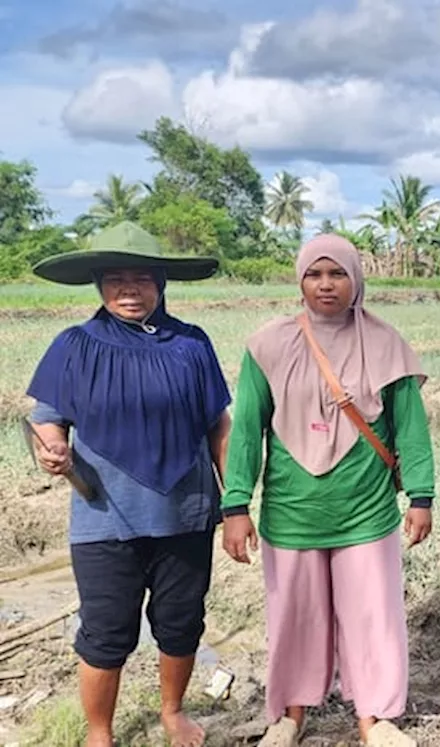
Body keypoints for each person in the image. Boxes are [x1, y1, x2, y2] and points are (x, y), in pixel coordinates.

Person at [220, 235, 434, 747]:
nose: (325, 285)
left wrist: (421, 497)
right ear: (299, 281)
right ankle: (290, 716)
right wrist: (235, 504)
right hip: (292, 511)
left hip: (365, 510)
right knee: (294, 615)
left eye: (336, 274)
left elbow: (411, 429)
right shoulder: (266, 346)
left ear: (355, 279)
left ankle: (375, 719)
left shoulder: (387, 345)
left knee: (373, 615)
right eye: (314, 275)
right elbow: (247, 429)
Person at [24, 221, 231, 747]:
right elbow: (47, 420)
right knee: (105, 632)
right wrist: (52, 450)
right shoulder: (75, 346)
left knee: (181, 623)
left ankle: (172, 712)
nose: (128, 290)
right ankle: (99, 732)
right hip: (104, 516)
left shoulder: (191, 344)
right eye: (115, 278)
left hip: (185, 511)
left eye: (141, 278)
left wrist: (236, 503)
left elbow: (218, 426)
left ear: (162, 283)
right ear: (98, 283)